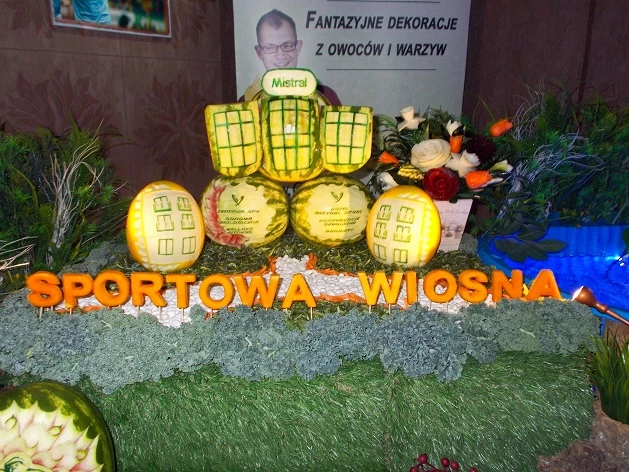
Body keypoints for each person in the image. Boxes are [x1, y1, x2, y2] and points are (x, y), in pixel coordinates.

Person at [252, 9, 341, 105]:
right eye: (270, 47)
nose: (280, 55)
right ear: (259, 52)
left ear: (298, 47)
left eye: (287, 45)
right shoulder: (248, 100)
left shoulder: (326, 97)